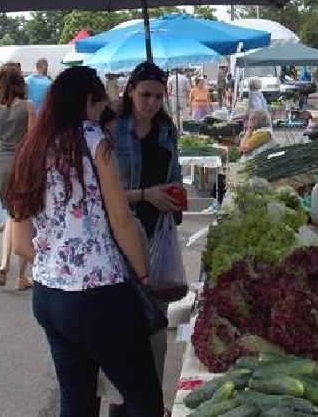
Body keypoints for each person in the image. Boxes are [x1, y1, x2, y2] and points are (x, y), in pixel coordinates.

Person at [6, 66, 163, 416]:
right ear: (88, 103)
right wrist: (144, 276)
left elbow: (19, 244)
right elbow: (121, 220)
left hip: (48, 296)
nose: (99, 115)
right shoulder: (93, 139)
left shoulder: (29, 149)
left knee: (76, 397)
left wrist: (58, 264)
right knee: (142, 396)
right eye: (98, 106)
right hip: (99, 294)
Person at [108, 61, 182, 416]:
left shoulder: (167, 130)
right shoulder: (112, 130)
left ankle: (150, 403)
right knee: (123, 327)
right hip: (120, 239)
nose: (151, 103)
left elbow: (176, 175)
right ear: (130, 92)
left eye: (157, 96)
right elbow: (106, 193)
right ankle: (123, 404)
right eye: (145, 95)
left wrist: (174, 196)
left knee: (155, 324)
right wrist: (144, 194)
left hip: (158, 235)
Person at [0, 62, 37, 291]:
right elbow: (34, 142)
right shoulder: (28, 107)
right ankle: (20, 275)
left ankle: (4, 263)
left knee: (13, 215)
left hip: (0, 164)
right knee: (24, 218)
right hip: (22, 165)